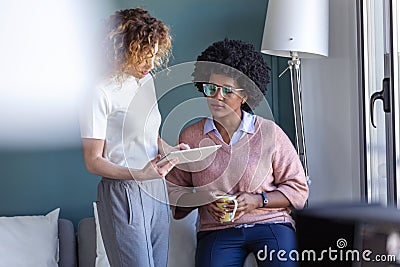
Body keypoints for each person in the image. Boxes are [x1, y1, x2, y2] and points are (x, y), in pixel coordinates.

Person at [166, 39, 309, 267]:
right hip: (217, 230)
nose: (217, 97)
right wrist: (202, 200)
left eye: (227, 91)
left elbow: (299, 191)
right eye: (211, 88)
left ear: (245, 95)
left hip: (270, 224)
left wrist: (257, 201)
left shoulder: (270, 133)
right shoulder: (191, 136)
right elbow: (174, 192)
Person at [79, 8, 188, 267]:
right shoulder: (99, 92)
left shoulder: (146, 81)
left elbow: (149, 133)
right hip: (123, 191)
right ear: (121, 51)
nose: (149, 65)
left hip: (156, 187)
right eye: (142, 56)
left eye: (154, 56)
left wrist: (172, 150)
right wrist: (139, 173)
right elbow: (93, 161)